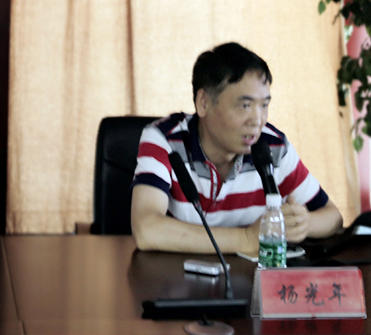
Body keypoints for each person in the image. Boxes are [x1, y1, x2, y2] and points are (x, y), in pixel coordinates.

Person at [130, 42, 343, 253]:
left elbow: (333, 216)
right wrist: (246, 239)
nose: (257, 120)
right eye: (245, 105)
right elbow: (146, 229)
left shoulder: (273, 146)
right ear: (203, 102)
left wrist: (305, 223)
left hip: (249, 275)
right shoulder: (165, 139)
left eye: (264, 105)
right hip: (175, 273)